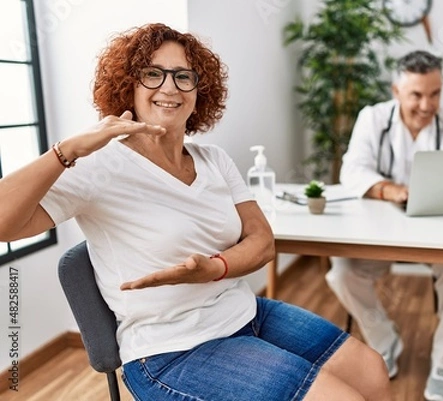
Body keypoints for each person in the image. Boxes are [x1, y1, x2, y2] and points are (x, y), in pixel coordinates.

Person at [0, 23, 392, 401]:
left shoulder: (214, 159)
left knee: (372, 370)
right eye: (152, 74)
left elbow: (262, 241)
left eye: (183, 77)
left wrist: (215, 268)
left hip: (245, 313)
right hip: (171, 350)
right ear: (129, 87)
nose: (169, 87)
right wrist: (67, 150)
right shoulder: (97, 165)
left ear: (198, 91)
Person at [325, 50, 443, 401]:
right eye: (416, 94)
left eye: (435, 93)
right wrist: (389, 189)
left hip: (440, 236)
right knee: (342, 272)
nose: (427, 105)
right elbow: (351, 170)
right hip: (381, 237)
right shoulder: (373, 118)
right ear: (396, 90)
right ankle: (386, 340)